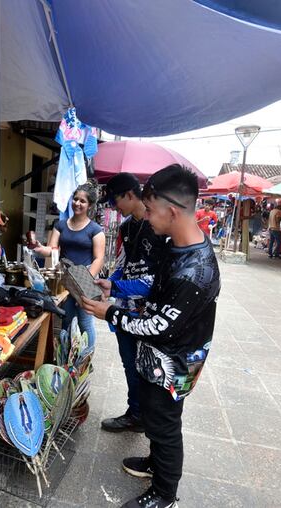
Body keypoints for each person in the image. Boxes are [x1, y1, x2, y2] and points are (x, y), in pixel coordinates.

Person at [82, 164, 220, 508]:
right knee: (157, 420)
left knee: (166, 426)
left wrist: (110, 312)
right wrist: (114, 285)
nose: (148, 216)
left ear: (172, 211)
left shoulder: (195, 271)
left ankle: (164, 495)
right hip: (155, 357)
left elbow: (160, 326)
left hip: (174, 362)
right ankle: (154, 465)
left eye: (151, 210)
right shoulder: (174, 245)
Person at [99, 172, 169, 433]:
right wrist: (110, 282)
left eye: (115, 200)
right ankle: (135, 412)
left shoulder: (160, 228)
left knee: (149, 367)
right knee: (129, 363)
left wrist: (115, 286)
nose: (114, 207)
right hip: (125, 309)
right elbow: (122, 264)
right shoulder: (126, 227)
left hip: (150, 313)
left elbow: (156, 279)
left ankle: (149, 416)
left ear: (129, 194)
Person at [32, 181, 105, 348]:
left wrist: (84, 283)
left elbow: (99, 259)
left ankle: (86, 360)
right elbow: (52, 250)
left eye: (82, 201)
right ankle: (65, 357)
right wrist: (38, 247)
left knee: (85, 322)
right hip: (65, 279)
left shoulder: (95, 230)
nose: (77, 203)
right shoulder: (61, 225)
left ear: (90, 205)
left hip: (85, 279)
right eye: (75, 199)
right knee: (66, 320)